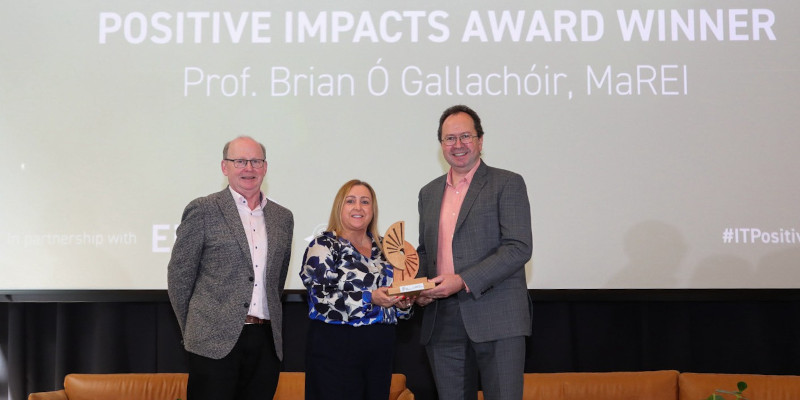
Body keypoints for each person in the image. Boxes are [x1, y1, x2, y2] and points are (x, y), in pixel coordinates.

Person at [416, 105, 533, 400]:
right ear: (441, 145)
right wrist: (416, 288)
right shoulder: (428, 193)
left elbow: (518, 247)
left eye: (465, 136)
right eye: (449, 139)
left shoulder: (507, 183)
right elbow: (425, 251)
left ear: (480, 140)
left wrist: (463, 280)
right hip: (442, 321)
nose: (458, 145)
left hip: (498, 316)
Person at [167, 136, 294, 400]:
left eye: (256, 161)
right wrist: (196, 330)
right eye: (240, 161)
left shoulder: (283, 217)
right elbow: (180, 277)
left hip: (266, 344)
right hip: (212, 343)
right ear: (225, 167)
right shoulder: (203, 209)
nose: (249, 168)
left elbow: (277, 279)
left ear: (265, 167)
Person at [300, 179, 414, 400]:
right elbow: (321, 299)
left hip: (380, 346)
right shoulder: (323, 245)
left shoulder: (385, 249)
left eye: (365, 202)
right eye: (350, 201)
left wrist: (404, 303)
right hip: (336, 345)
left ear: (373, 209)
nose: (358, 208)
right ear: (339, 207)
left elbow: (399, 304)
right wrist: (370, 297)